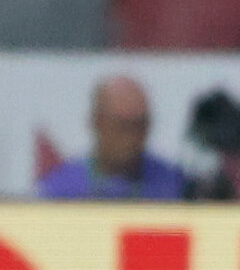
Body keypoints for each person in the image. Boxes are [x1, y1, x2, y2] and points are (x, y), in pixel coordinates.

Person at [38, 75, 189, 199]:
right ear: (97, 122)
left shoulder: (174, 185)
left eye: (140, 125)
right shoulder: (61, 189)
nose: (132, 137)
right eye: (122, 127)